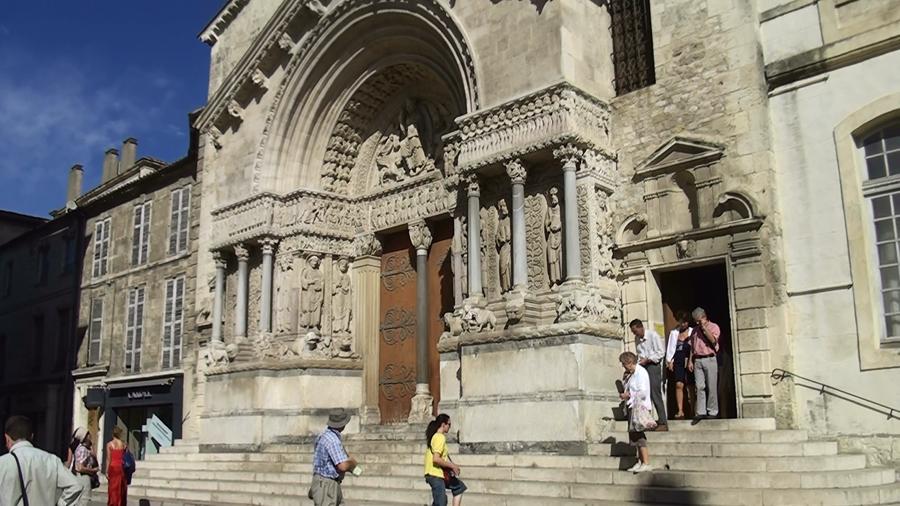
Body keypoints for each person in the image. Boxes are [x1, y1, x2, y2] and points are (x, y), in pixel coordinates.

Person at [0, 415, 84, 505]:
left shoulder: (3, 463)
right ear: (31, 436)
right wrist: (61, 503)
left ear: (7, 438)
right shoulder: (51, 460)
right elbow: (76, 486)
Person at [308, 409, 357, 506]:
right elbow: (342, 466)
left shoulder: (323, 435)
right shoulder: (333, 440)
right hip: (327, 484)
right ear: (343, 424)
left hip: (325, 482)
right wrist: (352, 463)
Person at [619, 352, 654, 473]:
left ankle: (646, 462)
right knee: (634, 435)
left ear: (629, 363)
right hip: (632, 406)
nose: (623, 366)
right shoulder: (632, 374)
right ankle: (640, 461)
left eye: (624, 364)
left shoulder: (641, 372)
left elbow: (643, 391)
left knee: (639, 434)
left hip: (640, 407)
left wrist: (629, 395)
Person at [630, 319, 667, 430]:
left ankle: (663, 422)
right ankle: (647, 421)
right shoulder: (637, 339)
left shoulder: (653, 335)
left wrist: (648, 359)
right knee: (645, 394)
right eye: (633, 332)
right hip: (643, 367)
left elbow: (660, 352)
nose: (635, 334)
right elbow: (639, 353)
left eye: (635, 331)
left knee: (655, 393)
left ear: (641, 327)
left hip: (653, 366)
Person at [424, 414, 466, 506]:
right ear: (443, 424)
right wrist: (452, 466)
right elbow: (436, 459)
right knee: (441, 503)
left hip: (438, 473)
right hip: (435, 474)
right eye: (449, 424)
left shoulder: (436, 436)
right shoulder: (439, 437)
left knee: (459, 487)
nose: (450, 427)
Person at [688, 307, 721, 425]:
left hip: (709, 358)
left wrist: (704, 328)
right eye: (695, 321)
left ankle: (712, 411)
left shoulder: (714, 327)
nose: (697, 323)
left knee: (711, 386)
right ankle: (701, 411)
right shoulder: (694, 331)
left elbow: (713, 340)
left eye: (698, 320)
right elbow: (692, 346)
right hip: (698, 360)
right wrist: (690, 361)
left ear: (704, 317)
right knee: (699, 386)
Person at [665, 312, 694, 419]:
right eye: (681, 322)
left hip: (690, 360)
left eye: (685, 322)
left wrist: (691, 360)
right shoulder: (674, 333)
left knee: (691, 386)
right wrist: (669, 361)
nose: (683, 324)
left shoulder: (692, 331)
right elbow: (671, 347)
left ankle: (693, 410)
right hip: (678, 360)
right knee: (679, 384)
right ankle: (680, 410)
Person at [72, 431, 99, 505]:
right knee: (84, 500)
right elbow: (80, 468)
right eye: (88, 434)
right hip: (83, 477)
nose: (90, 435)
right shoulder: (83, 449)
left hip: (83, 477)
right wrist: (93, 470)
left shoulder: (86, 449)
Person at [106, 426, 128, 506]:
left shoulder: (109, 444)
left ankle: (113, 503)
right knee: (121, 488)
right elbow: (125, 456)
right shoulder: (123, 444)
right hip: (121, 467)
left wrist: (106, 471)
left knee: (113, 489)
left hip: (113, 467)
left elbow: (108, 459)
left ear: (112, 434)